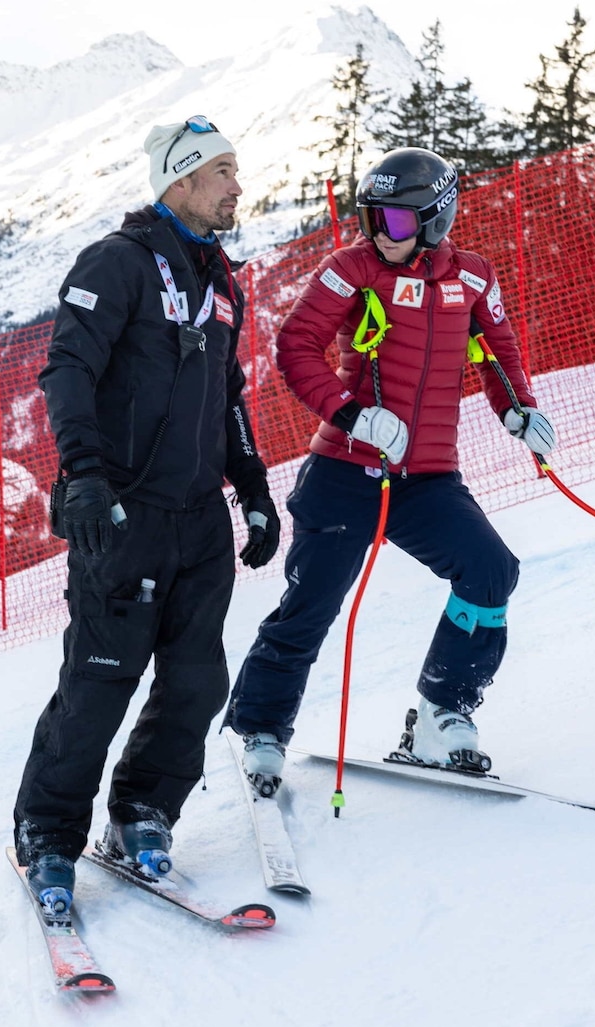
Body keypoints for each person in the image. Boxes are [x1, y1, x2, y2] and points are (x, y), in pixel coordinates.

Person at [226, 146, 555, 798]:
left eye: (399, 223)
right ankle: (261, 731)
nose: (381, 233)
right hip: (346, 471)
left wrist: (518, 409)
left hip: (427, 476)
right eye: (373, 217)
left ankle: (440, 714)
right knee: (312, 605)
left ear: (435, 219)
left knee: (492, 572)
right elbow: (295, 346)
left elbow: (497, 352)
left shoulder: (475, 277)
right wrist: (352, 415)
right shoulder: (350, 269)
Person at [14, 115, 280, 911]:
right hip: (122, 515)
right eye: (223, 171)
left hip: (197, 519)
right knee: (99, 683)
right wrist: (85, 476)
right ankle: (49, 833)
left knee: (197, 681)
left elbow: (226, 395)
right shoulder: (119, 263)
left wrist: (255, 487)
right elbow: (66, 369)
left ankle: (142, 811)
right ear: (181, 181)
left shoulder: (220, 280)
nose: (238, 185)